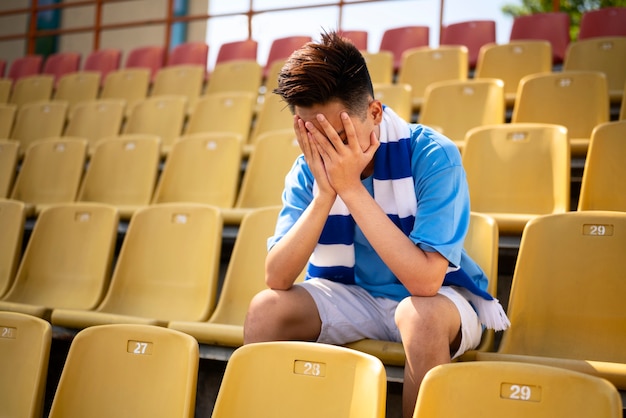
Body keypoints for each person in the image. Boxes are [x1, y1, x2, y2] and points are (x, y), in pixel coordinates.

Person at [243, 30, 509, 417]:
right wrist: (324, 195)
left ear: (375, 113)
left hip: (438, 300)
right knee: (265, 309)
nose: (326, 150)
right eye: (310, 134)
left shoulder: (433, 155)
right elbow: (278, 277)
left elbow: (425, 282)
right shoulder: (308, 170)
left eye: (338, 135)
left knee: (422, 316)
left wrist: (350, 188)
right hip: (353, 293)